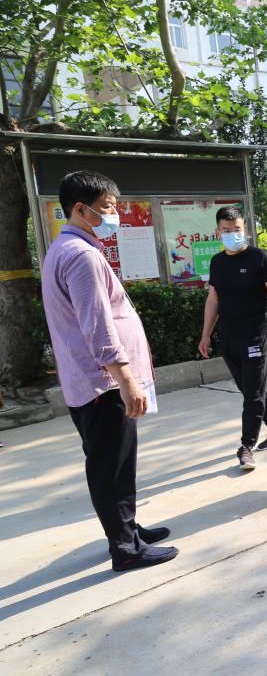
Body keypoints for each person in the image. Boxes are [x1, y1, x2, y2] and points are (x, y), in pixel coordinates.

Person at [41, 170, 178, 571]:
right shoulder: (81, 255)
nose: (114, 215)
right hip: (103, 385)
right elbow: (97, 325)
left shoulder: (65, 248)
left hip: (89, 381)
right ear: (80, 209)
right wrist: (126, 380)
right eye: (106, 208)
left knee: (112, 463)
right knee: (111, 467)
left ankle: (127, 530)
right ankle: (126, 548)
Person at [198, 206, 267, 471]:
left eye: (237, 229)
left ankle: (247, 446)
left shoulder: (259, 258)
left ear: (245, 229)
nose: (232, 234)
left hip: (256, 334)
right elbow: (213, 300)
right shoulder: (217, 262)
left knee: (252, 393)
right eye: (226, 230)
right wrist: (205, 335)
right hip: (229, 336)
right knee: (252, 388)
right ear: (218, 231)